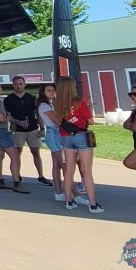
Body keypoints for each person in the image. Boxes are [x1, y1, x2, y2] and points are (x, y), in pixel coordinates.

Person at [55, 76, 103, 213]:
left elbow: (58, 121)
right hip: (81, 136)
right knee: (87, 171)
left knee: (69, 169)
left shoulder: (57, 104)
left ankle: (69, 200)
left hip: (65, 137)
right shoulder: (80, 103)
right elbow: (91, 121)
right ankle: (93, 204)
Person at [4, 76, 51, 186]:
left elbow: (38, 114)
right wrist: (17, 121)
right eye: (16, 84)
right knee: (17, 154)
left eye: (20, 84)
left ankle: (41, 175)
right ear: (13, 85)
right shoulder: (8, 99)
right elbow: (7, 115)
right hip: (18, 130)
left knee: (36, 152)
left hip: (33, 128)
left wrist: (42, 128)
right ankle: (17, 175)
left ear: (24, 85)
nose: (18, 86)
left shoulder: (31, 98)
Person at [0, 82, 28, 193]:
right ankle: (16, 183)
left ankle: (0, 180)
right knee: (15, 157)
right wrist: (11, 119)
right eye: (0, 88)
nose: (1, 90)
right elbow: (1, 118)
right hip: (0, 131)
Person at [35, 84, 66, 201]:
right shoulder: (44, 106)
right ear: (43, 92)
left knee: (57, 165)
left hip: (55, 133)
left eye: (53, 90)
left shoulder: (50, 104)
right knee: (65, 165)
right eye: (49, 90)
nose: (52, 92)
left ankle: (59, 192)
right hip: (53, 133)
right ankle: (74, 193)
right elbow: (57, 121)